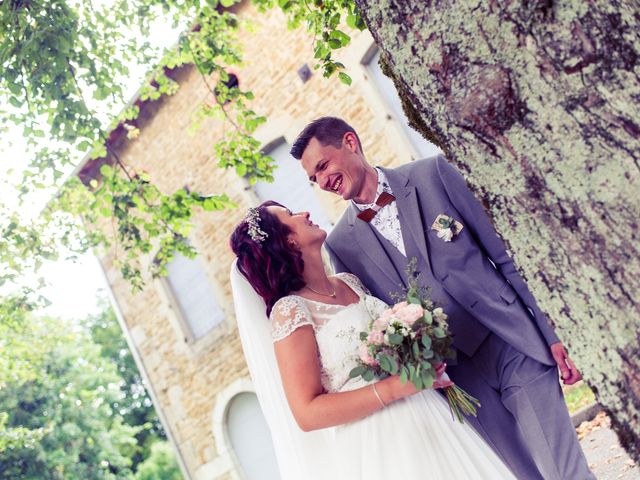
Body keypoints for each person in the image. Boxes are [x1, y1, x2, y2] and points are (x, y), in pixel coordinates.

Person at [289, 116, 594, 480]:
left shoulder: (434, 174)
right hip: (456, 380)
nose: (322, 181)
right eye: (314, 178)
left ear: (350, 143)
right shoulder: (341, 246)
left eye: (323, 166)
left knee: (565, 472)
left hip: (512, 344)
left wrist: (553, 332)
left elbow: (506, 257)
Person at [230, 201, 516, 480]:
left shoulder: (348, 282)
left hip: (426, 413)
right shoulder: (291, 310)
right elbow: (307, 412)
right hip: (377, 438)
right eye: (291, 215)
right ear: (287, 242)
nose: (304, 212)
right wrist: (394, 388)